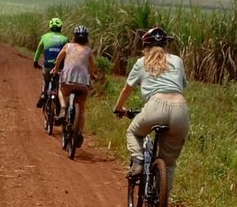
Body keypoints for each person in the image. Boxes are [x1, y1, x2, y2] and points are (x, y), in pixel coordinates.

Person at [112, 26, 189, 192]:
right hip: (181, 110)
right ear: (166, 45)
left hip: (155, 106)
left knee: (133, 132)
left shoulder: (142, 62)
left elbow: (126, 89)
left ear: (145, 47)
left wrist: (119, 108)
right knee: (168, 165)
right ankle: (162, 204)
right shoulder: (177, 61)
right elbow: (181, 86)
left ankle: (139, 161)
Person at [51, 25, 99, 136]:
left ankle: (63, 108)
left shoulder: (68, 46)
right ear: (87, 38)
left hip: (67, 80)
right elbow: (92, 68)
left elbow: (59, 58)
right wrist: (92, 75)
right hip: (83, 83)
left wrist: (56, 68)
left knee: (61, 92)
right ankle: (79, 134)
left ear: (74, 37)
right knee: (81, 110)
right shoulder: (89, 51)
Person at [32, 17, 69, 108]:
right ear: (60, 27)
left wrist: (35, 62)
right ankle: (60, 105)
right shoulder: (65, 39)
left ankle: (44, 94)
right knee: (58, 86)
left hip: (47, 67)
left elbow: (38, 51)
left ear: (50, 27)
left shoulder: (45, 37)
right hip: (59, 68)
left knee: (46, 80)